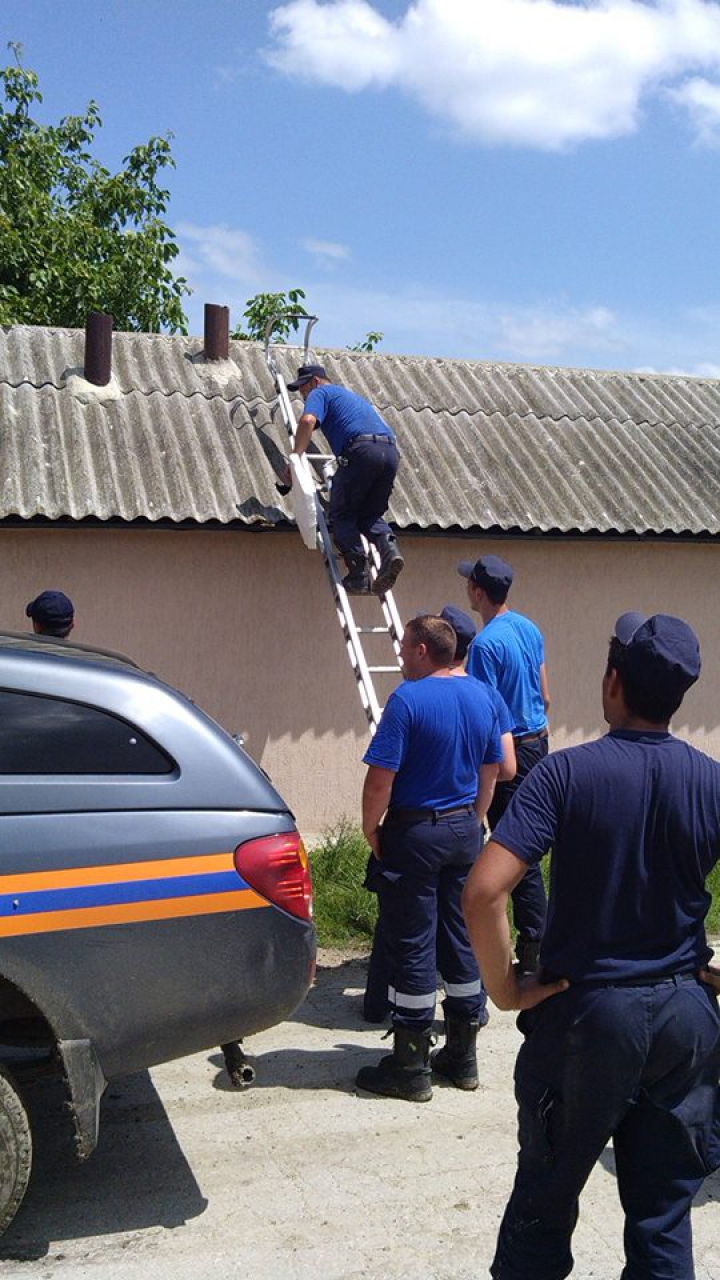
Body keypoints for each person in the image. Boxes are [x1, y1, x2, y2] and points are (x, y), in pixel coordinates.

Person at [462, 611, 720, 1279]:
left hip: (587, 1020)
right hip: (683, 1022)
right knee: (664, 1215)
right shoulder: (711, 782)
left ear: (612, 682)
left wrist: (506, 990)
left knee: (544, 1207)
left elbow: (485, 891)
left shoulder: (565, 776)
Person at [356, 614, 502, 1102]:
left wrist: (370, 827)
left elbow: (381, 779)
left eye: (403, 648)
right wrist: (475, 819)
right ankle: (462, 1056)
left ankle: (411, 1065)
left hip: (416, 831)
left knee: (414, 941)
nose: (399, 655)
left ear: (423, 650)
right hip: (464, 829)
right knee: (462, 937)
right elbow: (494, 769)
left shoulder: (408, 701)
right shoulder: (482, 695)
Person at [459, 554, 549, 973]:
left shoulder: (485, 646)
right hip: (538, 740)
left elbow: (486, 716)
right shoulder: (529, 627)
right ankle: (536, 941)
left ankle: (533, 945)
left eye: (469, 585)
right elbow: (545, 695)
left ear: (479, 593)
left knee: (513, 850)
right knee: (527, 844)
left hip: (511, 748)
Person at [285, 364, 403, 595]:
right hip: (390, 452)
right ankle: (390, 551)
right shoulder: (352, 396)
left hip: (361, 451)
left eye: (303, 389)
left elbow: (308, 421)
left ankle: (359, 577)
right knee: (369, 515)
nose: (303, 395)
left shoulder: (321, 392)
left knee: (342, 513)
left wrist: (295, 457)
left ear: (315, 381)